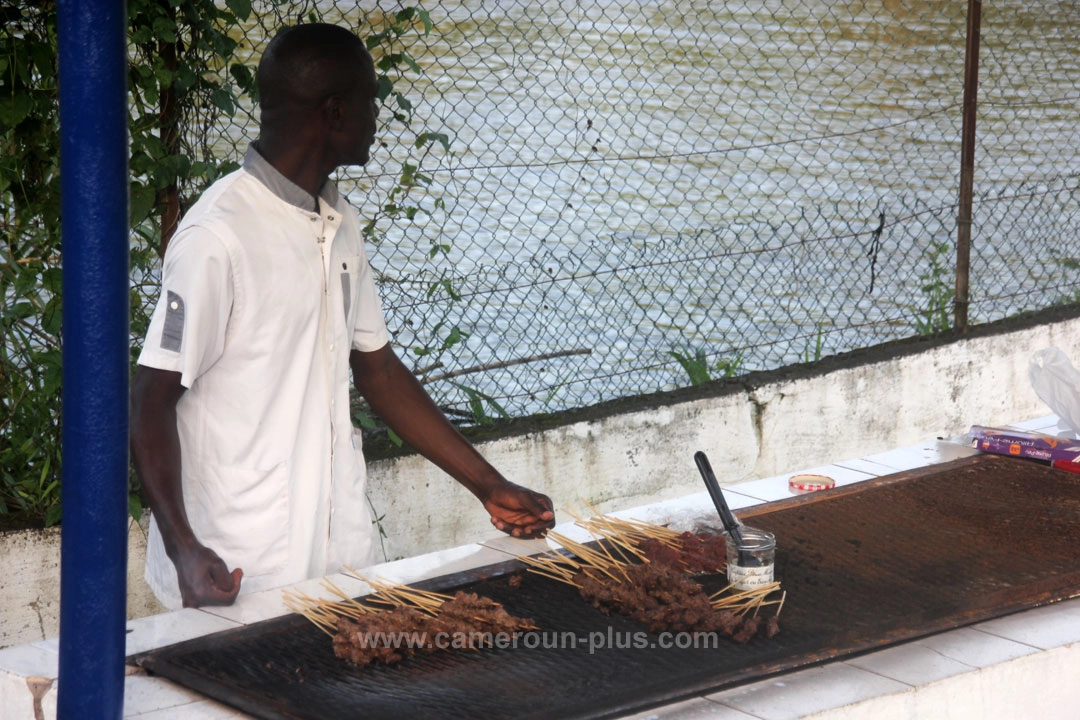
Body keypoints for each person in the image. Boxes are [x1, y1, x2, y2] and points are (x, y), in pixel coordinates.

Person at [130, 23, 555, 610]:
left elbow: (378, 372)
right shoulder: (216, 237)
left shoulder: (339, 220)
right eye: (369, 100)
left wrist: (489, 485)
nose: (376, 115)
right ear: (334, 113)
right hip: (235, 562)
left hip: (337, 551)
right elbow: (150, 398)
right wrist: (183, 547)